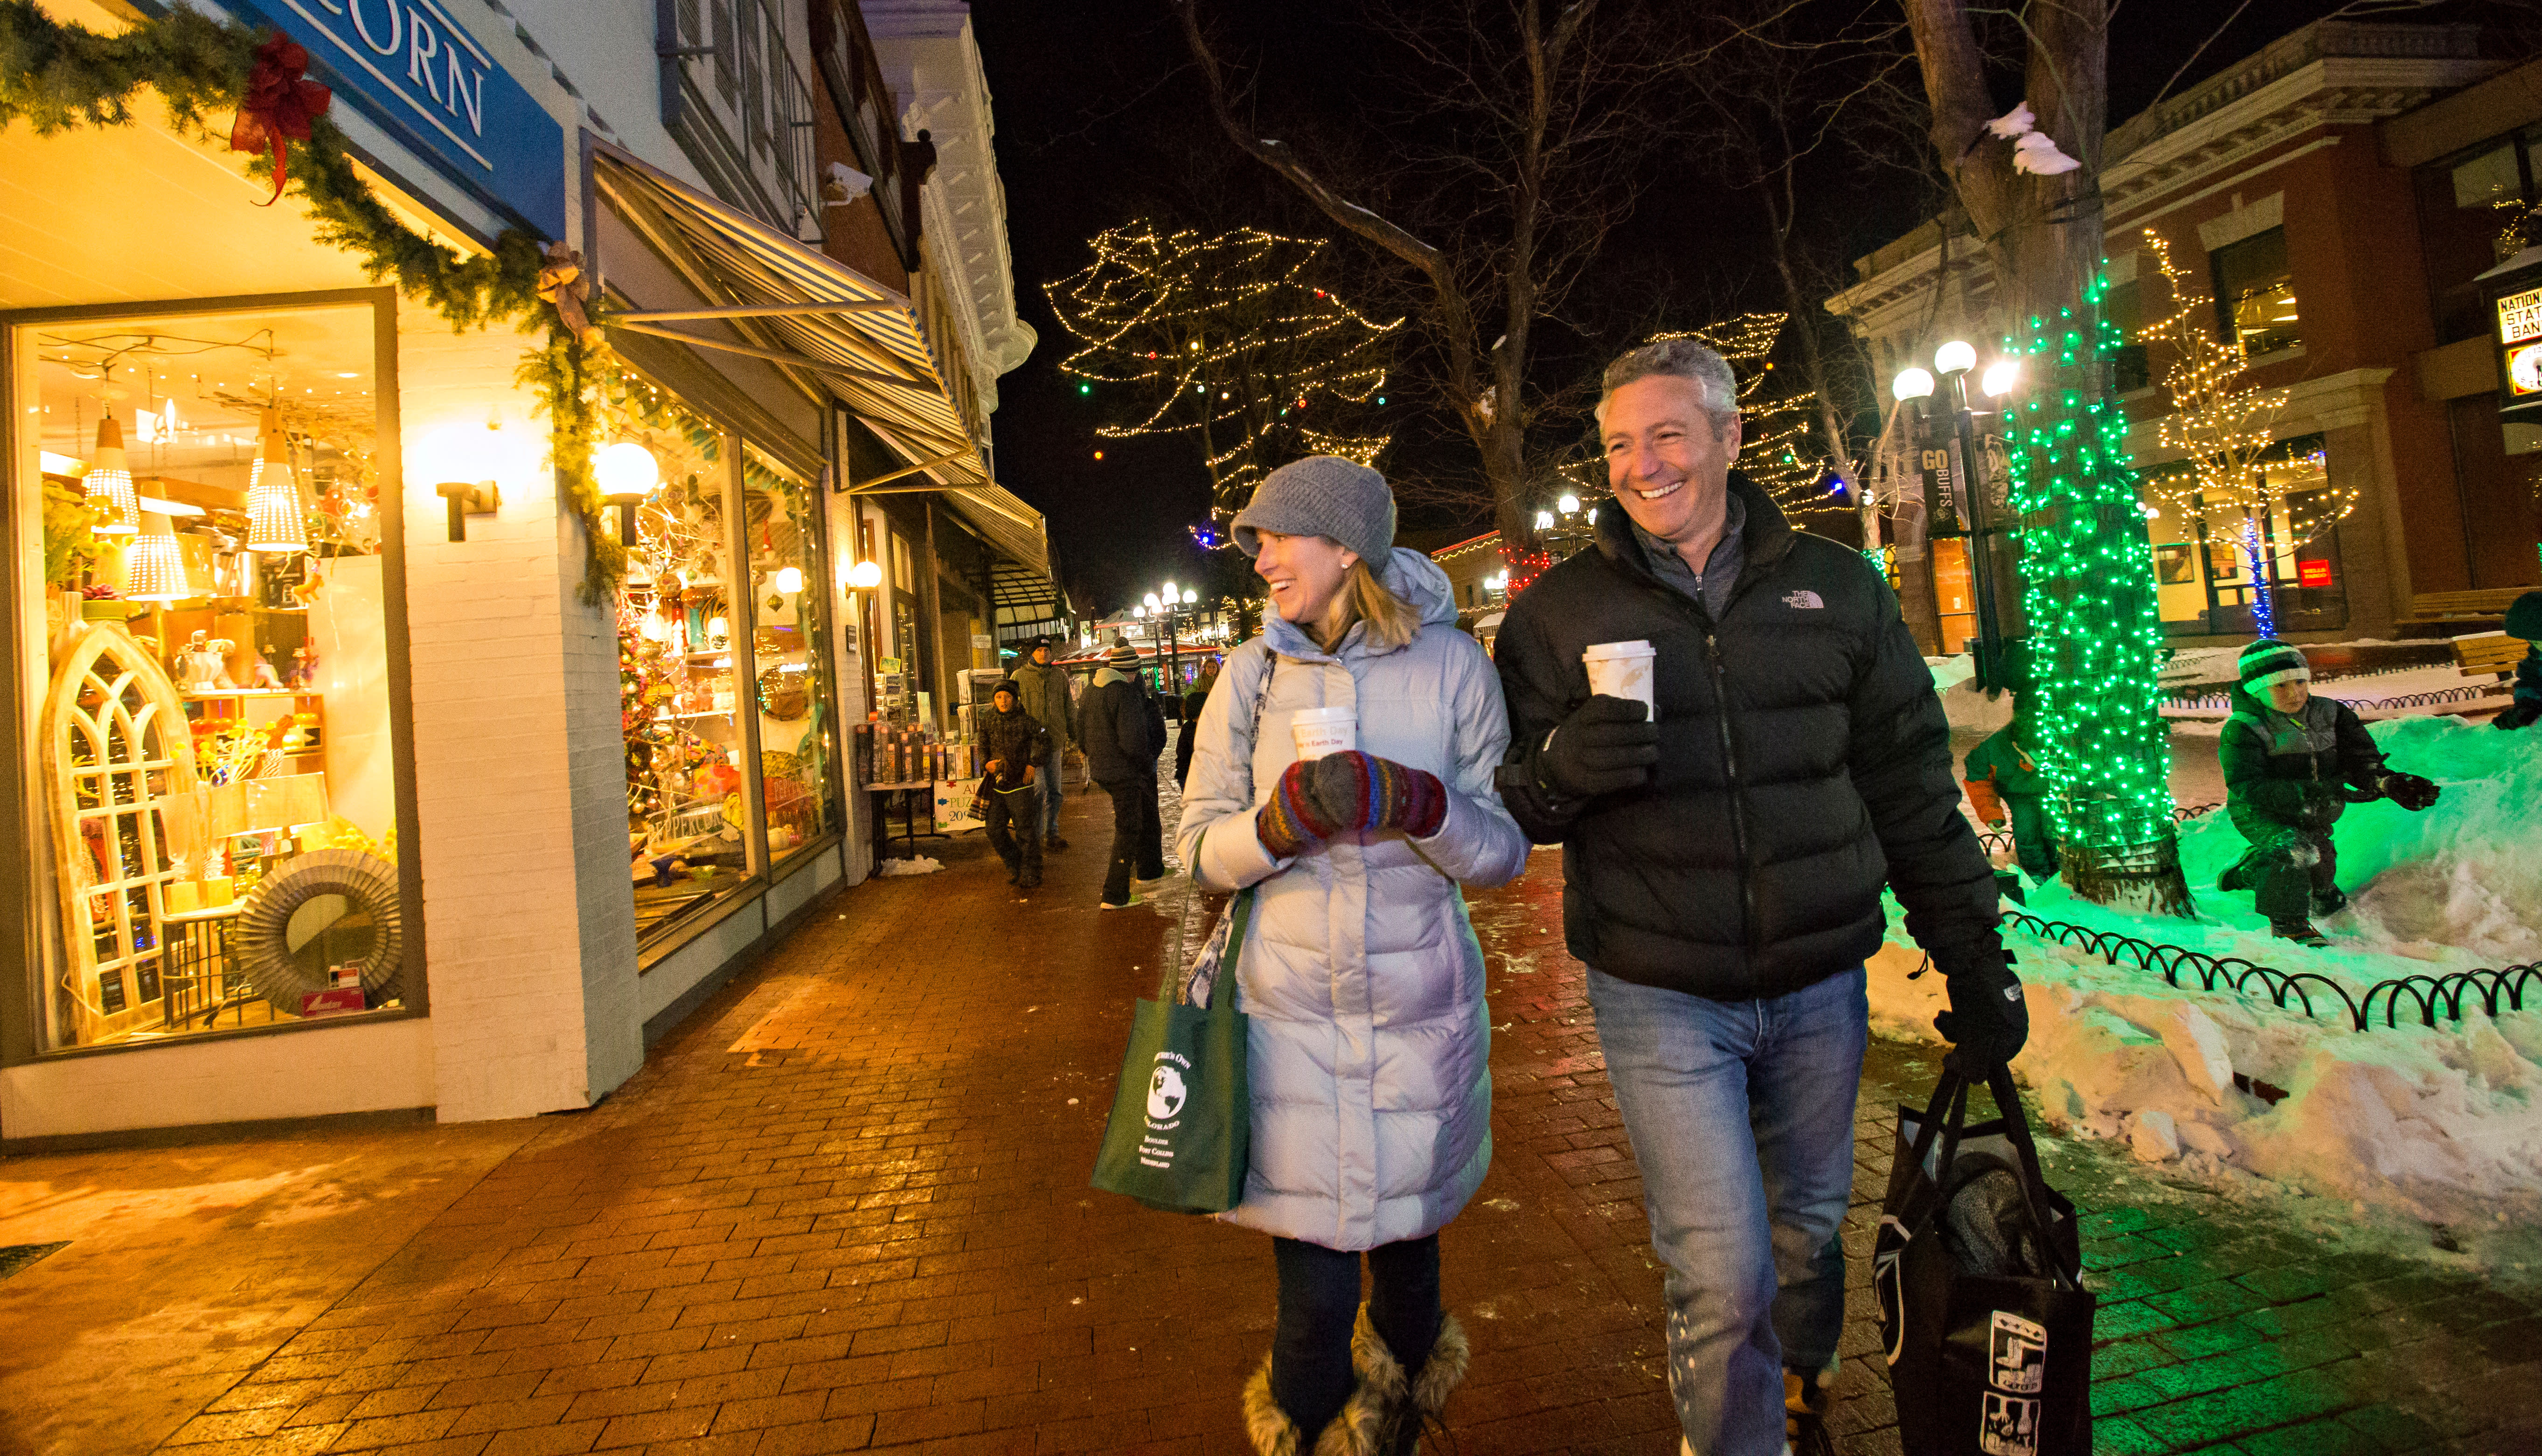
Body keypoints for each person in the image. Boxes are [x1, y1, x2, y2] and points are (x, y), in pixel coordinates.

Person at [1492, 339, 2019, 1456]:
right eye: (1619, 445)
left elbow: (1909, 782)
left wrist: (1971, 953)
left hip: (1820, 980)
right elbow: (1514, 803)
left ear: (1730, 439)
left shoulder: (1836, 587)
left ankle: (1801, 1390)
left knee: (1806, 1238)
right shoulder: (1558, 614)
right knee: (1720, 1268)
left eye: (1668, 434)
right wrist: (1554, 773)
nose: (1642, 465)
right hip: (1659, 992)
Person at [1179, 456, 1528, 1456]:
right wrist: (1281, 823)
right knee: (1314, 1301)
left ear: (1345, 546)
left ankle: (1399, 1424)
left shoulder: (1454, 666)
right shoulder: (1251, 676)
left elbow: (1501, 848)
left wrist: (1420, 807)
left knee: (1412, 1284)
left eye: (1277, 538)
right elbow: (1199, 845)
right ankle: (1304, 1433)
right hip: (1286, 1028)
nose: (1262, 563)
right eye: (1257, 544)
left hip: (1421, 1021)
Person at [2216, 639, 2441, 945]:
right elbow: (2247, 786)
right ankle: (2290, 925)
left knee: (2322, 875)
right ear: (2256, 690)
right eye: (2280, 687)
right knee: (2294, 851)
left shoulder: (2333, 715)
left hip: (2317, 807)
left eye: (2300, 682)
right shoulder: (2245, 728)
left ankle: (2252, 870)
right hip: (2261, 810)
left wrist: (2386, 782)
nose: (2294, 693)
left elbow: (2361, 760)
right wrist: (2308, 793)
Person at [1082, 641, 1167, 908]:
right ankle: (1115, 895)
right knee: (1128, 827)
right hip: (1125, 771)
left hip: (1103, 769)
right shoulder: (1125, 693)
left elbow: (1080, 733)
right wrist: (1144, 762)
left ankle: (1146, 874)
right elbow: (1133, 742)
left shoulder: (1091, 691)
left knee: (1132, 821)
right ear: (1132, 671)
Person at [976, 680, 1050, 890]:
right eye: (999, 697)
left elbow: (1046, 739)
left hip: (1021, 784)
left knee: (1025, 831)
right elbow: (982, 745)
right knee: (993, 829)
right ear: (994, 700)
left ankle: (1032, 872)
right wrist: (985, 763)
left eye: (1007, 697)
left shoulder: (1028, 721)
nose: (1003, 701)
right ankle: (1014, 863)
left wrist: (1032, 763)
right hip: (997, 783)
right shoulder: (988, 720)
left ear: (1015, 699)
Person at [1963, 721, 2056, 883]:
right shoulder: (1991, 751)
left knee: (2052, 827)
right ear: (2018, 748)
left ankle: (2058, 869)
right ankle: (2036, 873)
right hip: (2019, 794)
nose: (2042, 765)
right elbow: (1979, 783)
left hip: (2054, 791)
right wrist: (1992, 814)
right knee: (2026, 827)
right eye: (2037, 760)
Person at [1012, 638, 1076, 848]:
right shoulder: (1019, 677)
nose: (1043, 653)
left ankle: (1052, 831)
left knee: (1056, 790)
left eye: (1046, 650)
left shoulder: (1059, 676)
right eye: (1039, 650)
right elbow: (1012, 710)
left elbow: (1069, 707)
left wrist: (1075, 734)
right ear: (1032, 653)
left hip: (1055, 741)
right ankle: (1036, 836)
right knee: (1038, 790)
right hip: (1031, 746)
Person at [2493, 591, 2542, 731]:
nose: (2539, 647)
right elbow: (2530, 683)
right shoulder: (2536, 660)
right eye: (2534, 642)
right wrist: (2526, 707)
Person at [1176, 661, 1222, 789]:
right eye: (1209, 667)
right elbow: (1188, 695)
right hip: (1200, 710)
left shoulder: (1221, 681)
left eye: (1214, 667)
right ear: (1205, 668)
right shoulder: (1199, 682)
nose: (1211, 670)